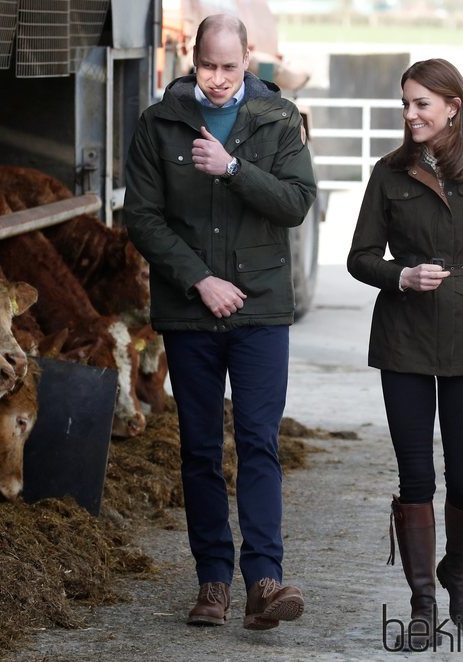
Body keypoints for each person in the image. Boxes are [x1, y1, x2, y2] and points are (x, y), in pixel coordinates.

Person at [124, 14, 316, 629]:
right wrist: (200, 281)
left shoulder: (279, 119)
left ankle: (264, 579)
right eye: (208, 66)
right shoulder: (159, 124)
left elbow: (295, 203)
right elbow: (143, 218)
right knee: (200, 449)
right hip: (190, 311)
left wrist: (232, 168)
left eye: (229, 67)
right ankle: (212, 582)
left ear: (248, 59)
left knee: (259, 442)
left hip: (260, 310)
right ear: (194, 59)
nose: (217, 79)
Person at [347, 58, 463, 651]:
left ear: (453, 106)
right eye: (405, 104)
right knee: (414, 476)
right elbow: (359, 255)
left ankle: (459, 573)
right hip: (403, 337)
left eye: (420, 104)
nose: (410, 114)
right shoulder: (389, 172)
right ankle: (423, 600)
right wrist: (400, 276)